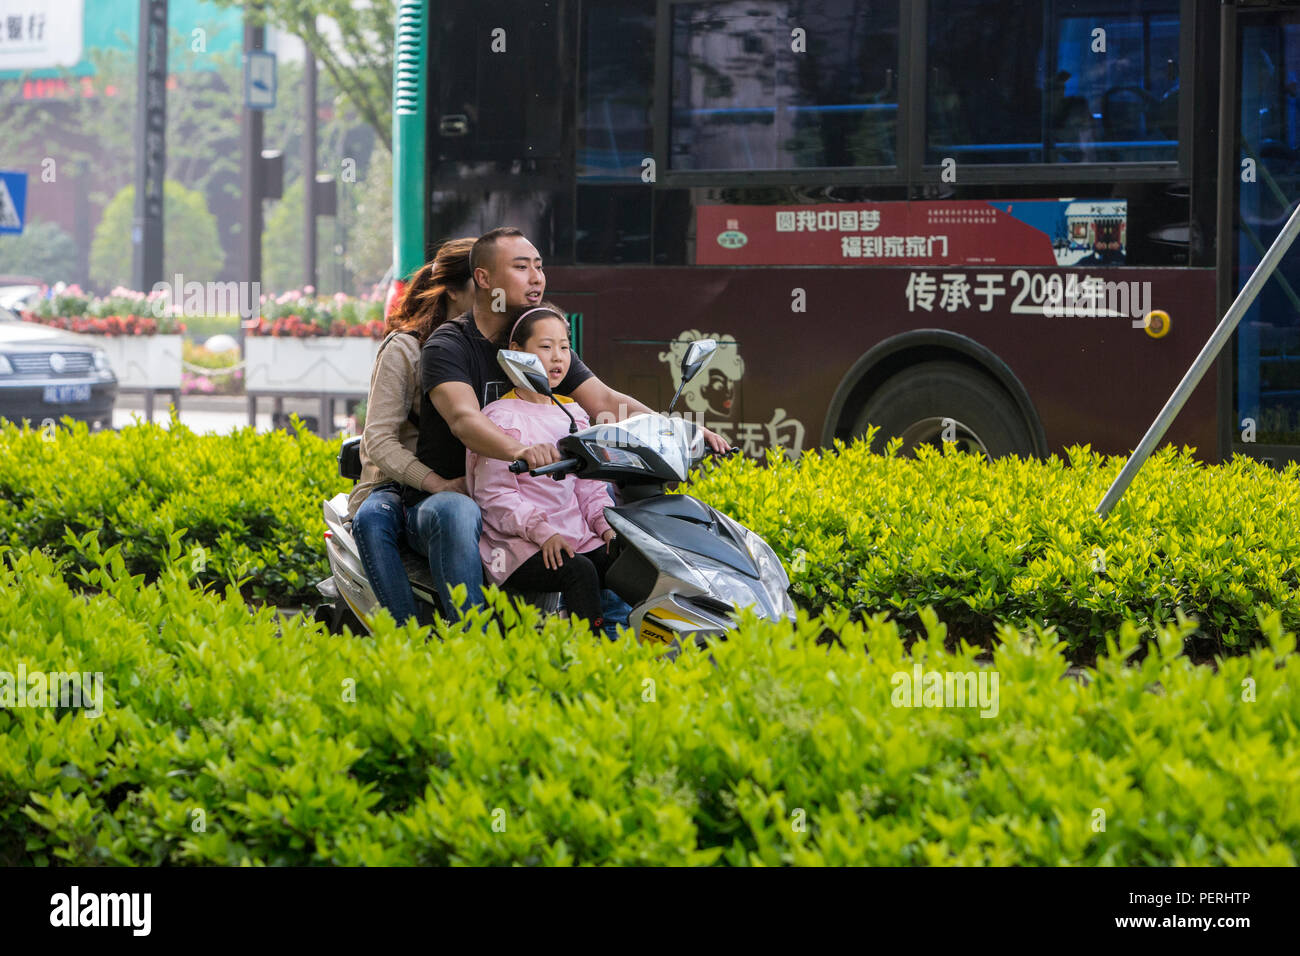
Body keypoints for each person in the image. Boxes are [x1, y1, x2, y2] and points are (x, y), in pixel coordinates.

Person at [411, 226, 729, 620]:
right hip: (449, 497)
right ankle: (472, 636)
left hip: (534, 503)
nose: (536, 277)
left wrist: (681, 430)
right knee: (460, 514)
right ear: (484, 279)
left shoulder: (543, 342)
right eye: (522, 267)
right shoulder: (449, 345)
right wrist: (521, 450)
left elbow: (607, 402)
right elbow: (464, 420)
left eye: (539, 267)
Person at [348, 238, 476, 624]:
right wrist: (437, 483)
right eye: (483, 285)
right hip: (394, 486)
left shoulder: (501, 347)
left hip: (475, 482)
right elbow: (379, 440)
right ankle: (407, 637)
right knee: (372, 521)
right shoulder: (405, 349)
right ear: (453, 289)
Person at [467, 304, 615, 630]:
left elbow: (587, 485)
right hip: (517, 543)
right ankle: (588, 661)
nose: (558, 357)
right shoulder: (500, 417)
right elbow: (494, 496)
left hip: (576, 535)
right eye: (546, 347)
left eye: (564, 347)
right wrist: (543, 533)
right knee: (580, 572)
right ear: (516, 353)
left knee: (624, 559)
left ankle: (635, 650)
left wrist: (606, 526)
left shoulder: (573, 414)